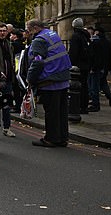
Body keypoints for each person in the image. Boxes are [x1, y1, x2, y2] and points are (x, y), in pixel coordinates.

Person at [25, 19, 72, 147]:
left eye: (28, 29)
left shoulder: (39, 40)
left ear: (35, 28)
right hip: (63, 78)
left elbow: (38, 61)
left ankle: (51, 139)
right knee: (61, 111)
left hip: (49, 80)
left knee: (51, 112)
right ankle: (62, 138)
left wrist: (30, 79)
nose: (27, 32)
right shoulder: (52, 34)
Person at [0, 23, 16, 137]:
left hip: (8, 79)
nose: (2, 33)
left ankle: (7, 128)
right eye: (0, 31)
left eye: (4, 31)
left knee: (6, 105)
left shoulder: (9, 44)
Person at [88, 27, 111, 110]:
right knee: (103, 84)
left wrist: (93, 67)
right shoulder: (108, 43)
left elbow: (94, 56)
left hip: (97, 67)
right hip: (105, 67)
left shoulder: (96, 42)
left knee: (94, 86)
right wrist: (108, 67)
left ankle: (95, 104)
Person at [68, 17, 91, 114]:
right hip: (86, 64)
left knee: (77, 86)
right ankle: (84, 106)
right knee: (84, 85)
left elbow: (74, 52)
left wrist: (71, 63)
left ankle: (78, 106)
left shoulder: (76, 36)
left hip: (78, 65)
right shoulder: (86, 36)